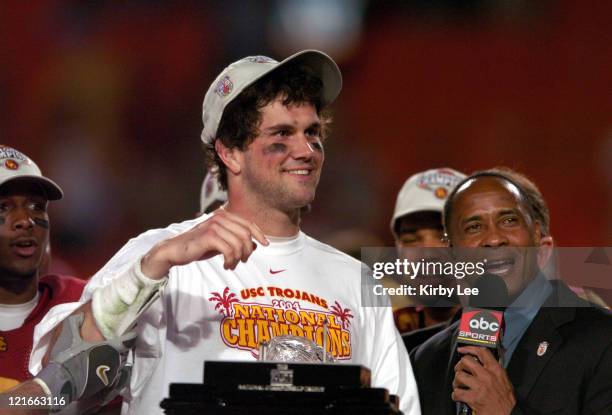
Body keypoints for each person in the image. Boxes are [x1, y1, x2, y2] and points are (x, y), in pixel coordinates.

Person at [29, 51, 420, 415]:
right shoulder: (161, 257)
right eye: (282, 136)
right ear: (229, 151)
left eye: (312, 133)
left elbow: (400, 406)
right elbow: (60, 381)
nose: (306, 151)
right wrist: (152, 269)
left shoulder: (355, 279)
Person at [411, 167, 612, 415]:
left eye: (508, 220)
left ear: (540, 242)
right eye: (474, 226)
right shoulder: (427, 360)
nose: (494, 239)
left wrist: (509, 412)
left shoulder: (602, 339)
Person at [0, 146, 86, 393]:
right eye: (3, 207)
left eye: (37, 207)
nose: (25, 220)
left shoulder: (79, 305)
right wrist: (48, 394)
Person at [388, 168, 465, 346]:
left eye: (445, 236)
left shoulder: (515, 331)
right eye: (411, 240)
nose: (427, 253)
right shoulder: (381, 337)